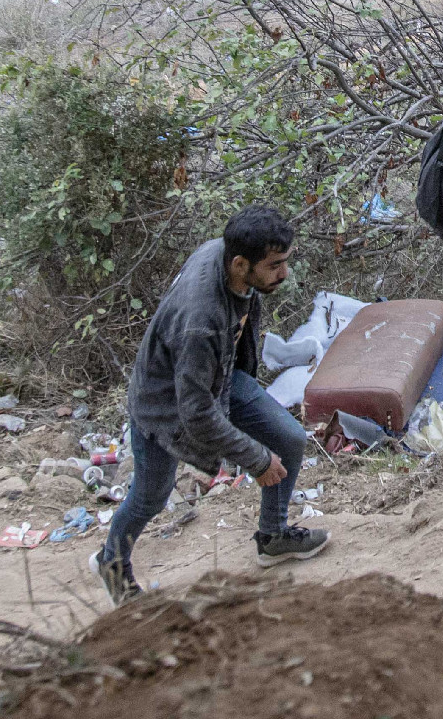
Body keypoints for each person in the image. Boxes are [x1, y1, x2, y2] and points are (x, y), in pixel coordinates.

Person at [90, 204, 328, 604]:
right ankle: (111, 562)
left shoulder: (222, 252)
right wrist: (255, 460)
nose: (283, 273)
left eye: (285, 261)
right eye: (274, 266)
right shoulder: (200, 321)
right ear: (239, 264)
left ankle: (272, 537)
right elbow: (197, 413)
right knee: (152, 495)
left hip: (219, 374)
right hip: (163, 402)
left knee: (288, 437)